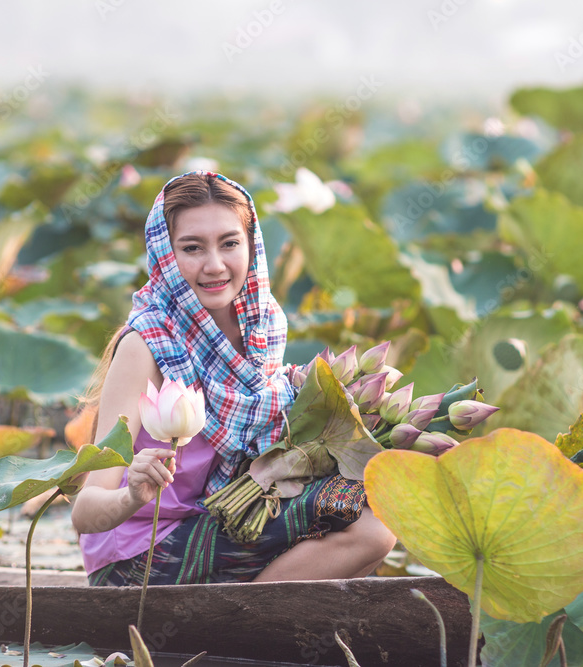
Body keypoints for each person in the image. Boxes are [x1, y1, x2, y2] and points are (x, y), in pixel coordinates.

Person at [71, 171, 396, 585]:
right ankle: (248, 622)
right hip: (138, 556)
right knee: (369, 532)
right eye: (192, 248)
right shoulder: (146, 344)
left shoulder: (263, 330)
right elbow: (84, 511)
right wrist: (132, 494)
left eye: (229, 243)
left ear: (251, 245)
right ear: (165, 256)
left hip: (224, 515)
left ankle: (250, 617)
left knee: (374, 507)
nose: (214, 266)